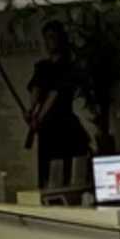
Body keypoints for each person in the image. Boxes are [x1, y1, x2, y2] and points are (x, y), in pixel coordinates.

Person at [28, 40, 93, 198]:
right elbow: (36, 89)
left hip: (64, 122)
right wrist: (31, 112)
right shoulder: (42, 67)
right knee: (51, 171)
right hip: (48, 128)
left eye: (53, 37)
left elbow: (54, 93)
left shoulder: (67, 67)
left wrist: (39, 117)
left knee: (74, 166)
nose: (50, 42)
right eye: (47, 37)